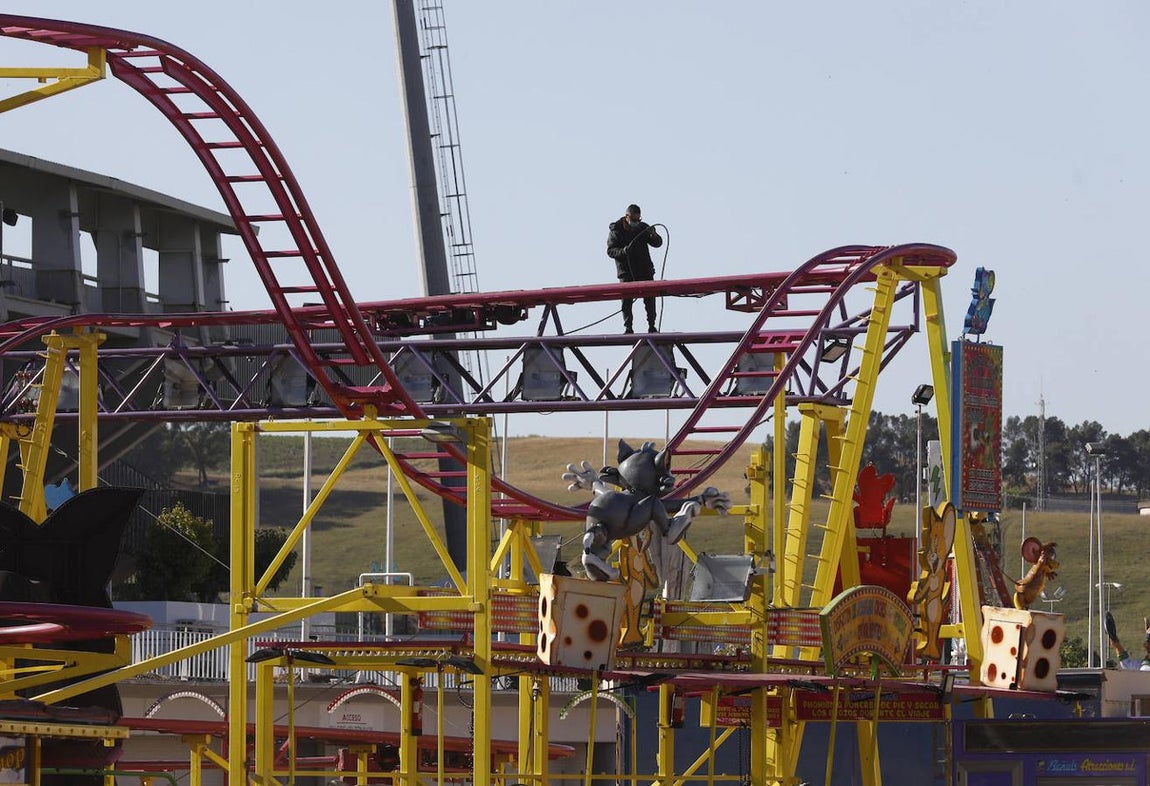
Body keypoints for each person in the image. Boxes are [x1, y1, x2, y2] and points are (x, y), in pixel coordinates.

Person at [606, 203, 662, 334]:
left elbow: (657, 243)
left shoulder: (643, 228)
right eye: (633, 220)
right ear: (626, 217)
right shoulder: (616, 230)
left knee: (650, 299)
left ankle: (652, 326)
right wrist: (624, 251)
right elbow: (611, 251)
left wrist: (653, 235)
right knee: (626, 300)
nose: (636, 222)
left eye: (638, 220)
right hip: (626, 272)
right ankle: (628, 327)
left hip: (644, 270)